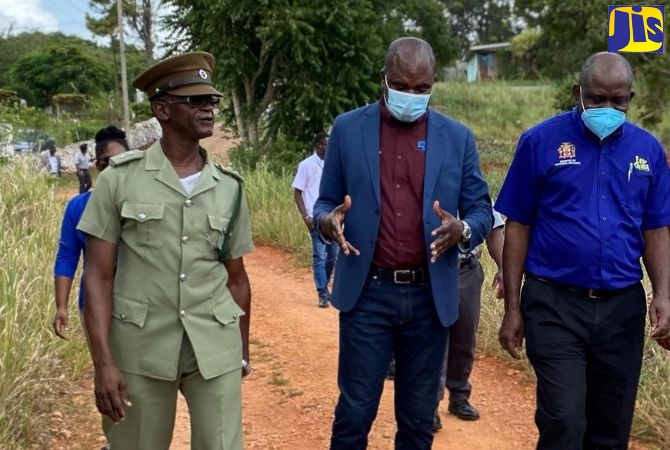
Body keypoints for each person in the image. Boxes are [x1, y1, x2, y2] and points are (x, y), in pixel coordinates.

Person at [313, 37, 493, 449]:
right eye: (402, 86)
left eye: (421, 88)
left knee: (416, 420)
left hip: (429, 298)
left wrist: (463, 229)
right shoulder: (347, 129)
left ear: (432, 85)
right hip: (367, 294)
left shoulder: (457, 138)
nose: (411, 96)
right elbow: (326, 202)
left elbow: (481, 208)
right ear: (384, 80)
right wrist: (328, 221)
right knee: (355, 411)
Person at [77, 51, 254, 450]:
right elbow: (98, 275)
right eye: (194, 100)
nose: (207, 107)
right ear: (162, 109)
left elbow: (237, 277)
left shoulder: (230, 187)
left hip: (213, 343)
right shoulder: (119, 180)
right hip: (140, 346)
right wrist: (103, 363)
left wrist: (240, 352)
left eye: (211, 100)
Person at [496, 52, 670, 450]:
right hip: (554, 304)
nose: (607, 108)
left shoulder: (648, 151)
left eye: (618, 100)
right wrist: (512, 308)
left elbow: (657, 227)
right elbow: (518, 223)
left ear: (631, 97)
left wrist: (662, 294)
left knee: (611, 429)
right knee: (563, 420)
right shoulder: (539, 142)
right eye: (596, 99)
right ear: (578, 93)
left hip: (621, 309)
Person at [53, 126, 129, 341]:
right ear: (97, 166)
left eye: (122, 162)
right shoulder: (78, 207)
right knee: (105, 368)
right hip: (96, 306)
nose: (115, 169)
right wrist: (61, 306)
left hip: (142, 308)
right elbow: (67, 257)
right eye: (107, 163)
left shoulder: (147, 205)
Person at [434, 203, 504, 431]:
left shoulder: (475, 191)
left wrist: (503, 268)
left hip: (466, 270)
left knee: (464, 336)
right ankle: (429, 405)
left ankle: (459, 394)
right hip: (432, 271)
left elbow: (494, 230)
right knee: (434, 341)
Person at [292, 132, 339, 308]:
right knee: (319, 256)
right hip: (315, 218)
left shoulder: (334, 165)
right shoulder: (306, 165)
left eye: (329, 145)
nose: (327, 148)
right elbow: (297, 192)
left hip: (333, 219)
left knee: (332, 256)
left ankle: (324, 285)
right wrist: (305, 216)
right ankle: (322, 293)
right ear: (317, 146)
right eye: (324, 145)